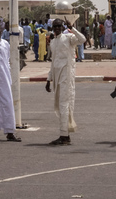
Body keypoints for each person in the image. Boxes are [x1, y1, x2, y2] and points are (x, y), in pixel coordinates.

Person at [45, 18, 79, 146]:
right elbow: (53, 62)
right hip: (57, 77)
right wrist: (48, 79)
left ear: (62, 27)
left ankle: (64, 135)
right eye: (55, 26)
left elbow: (82, 40)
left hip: (67, 75)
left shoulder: (69, 37)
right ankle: (65, 134)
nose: (57, 29)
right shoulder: (53, 42)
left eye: (59, 26)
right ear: (52, 28)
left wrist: (72, 27)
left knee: (65, 104)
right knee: (60, 105)